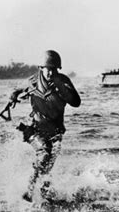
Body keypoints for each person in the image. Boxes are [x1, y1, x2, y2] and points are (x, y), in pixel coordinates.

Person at [8, 50, 81, 202]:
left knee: (47, 167)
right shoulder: (32, 81)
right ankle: (28, 191)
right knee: (44, 154)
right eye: (48, 69)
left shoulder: (63, 81)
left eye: (54, 69)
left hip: (55, 133)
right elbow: (16, 90)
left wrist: (60, 85)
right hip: (34, 129)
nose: (51, 73)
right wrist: (13, 95)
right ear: (41, 68)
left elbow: (76, 102)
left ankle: (45, 195)